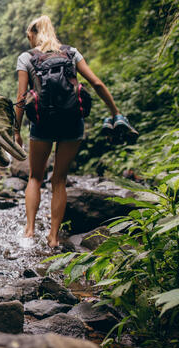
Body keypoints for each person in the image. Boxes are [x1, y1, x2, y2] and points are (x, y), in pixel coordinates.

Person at [14, 15, 130, 248]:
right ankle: (54, 238)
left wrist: (16, 131)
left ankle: (29, 231)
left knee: (35, 177)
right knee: (59, 180)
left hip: (42, 122)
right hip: (72, 122)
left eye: (29, 36)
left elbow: (20, 98)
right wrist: (116, 112)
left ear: (33, 34)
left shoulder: (26, 57)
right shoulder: (71, 53)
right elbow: (97, 84)